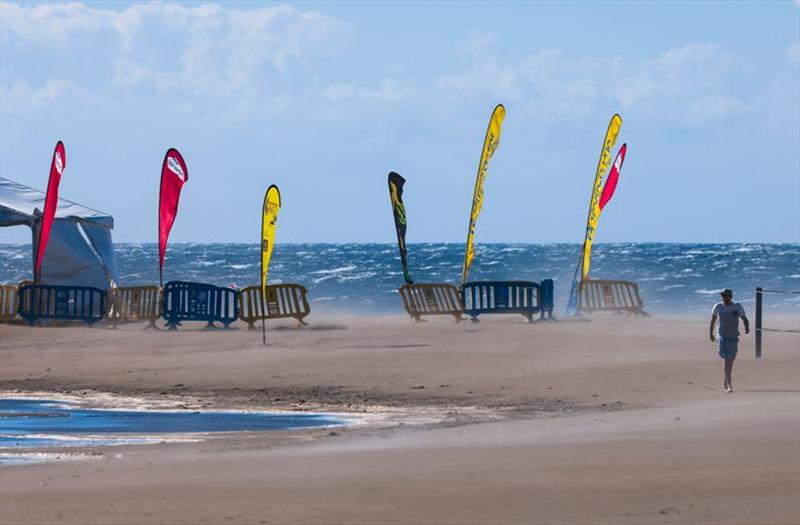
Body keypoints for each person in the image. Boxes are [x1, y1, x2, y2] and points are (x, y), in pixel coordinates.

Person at [709, 289, 749, 393]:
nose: (725, 297)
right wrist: (711, 333)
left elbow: (744, 318)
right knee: (727, 360)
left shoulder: (737, 306)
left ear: (731, 296)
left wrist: (746, 327)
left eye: (726, 296)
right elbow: (713, 321)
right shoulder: (718, 307)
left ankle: (725, 382)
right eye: (723, 296)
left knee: (731, 360)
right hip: (722, 336)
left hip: (733, 336)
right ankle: (729, 386)